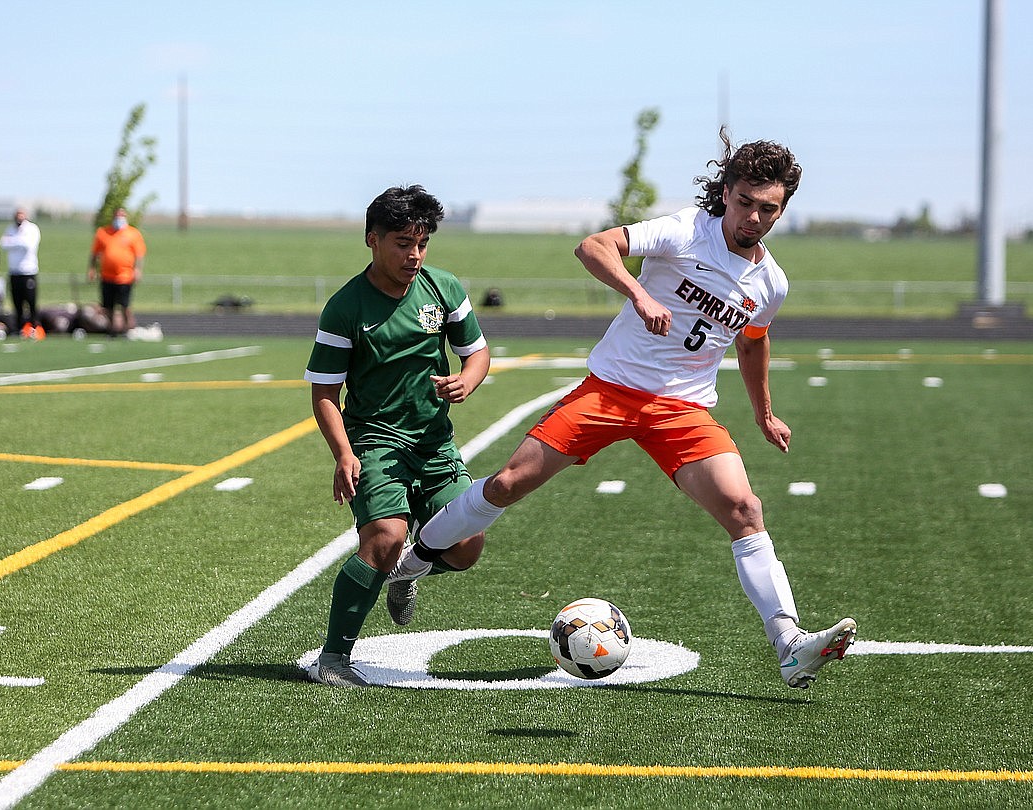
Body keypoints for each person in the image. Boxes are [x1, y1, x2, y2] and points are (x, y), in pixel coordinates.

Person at [391, 132, 857, 690]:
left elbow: (753, 342)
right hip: (611, 390)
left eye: (769, 209)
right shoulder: (686, 230)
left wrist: (764, 413)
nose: (754, 217)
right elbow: (594, 246)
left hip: (681, 409)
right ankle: (414, 561)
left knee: (744, 508)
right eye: (745, 203)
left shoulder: (771, 282)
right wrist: (639, 293)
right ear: (726, 192)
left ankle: (790, 645)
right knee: (509, 483)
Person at [303, 185, 491, 688]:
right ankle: (334, 657)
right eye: (402, 243)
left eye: (422, 243)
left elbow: (477, 353)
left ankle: (407, 573)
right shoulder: (345, 307)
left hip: (434, 443)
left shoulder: (444, 288)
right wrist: (343, 454)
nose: (414, 255)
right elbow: (324, 393)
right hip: (375, 440)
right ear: (373, 239)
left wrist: (467, 380)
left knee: (467, 546)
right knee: (385, 537)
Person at [88, 207, 146, 336]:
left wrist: (137, 270)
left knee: (125, 305)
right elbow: (94, 253)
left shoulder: (133, 233)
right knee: (108, 307)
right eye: (118, 215)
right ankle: (112, 330)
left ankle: (128, 329)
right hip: (107, 276)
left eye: (122, 215)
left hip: (125, 276)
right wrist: (92, 269)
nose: (120, 217)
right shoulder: (103, 233)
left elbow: (139, 254)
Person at [1, 207, 43, 338]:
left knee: (30, 302)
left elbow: (29, 245)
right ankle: (19, 328)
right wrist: (17, 242)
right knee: (16, 302)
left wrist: (13, 242)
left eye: (22, 215)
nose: (19, 218)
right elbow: (3, 244)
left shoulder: (32, 229)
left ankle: (34, 328)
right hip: (14, 272)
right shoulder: (10, 229)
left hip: (28, 271)